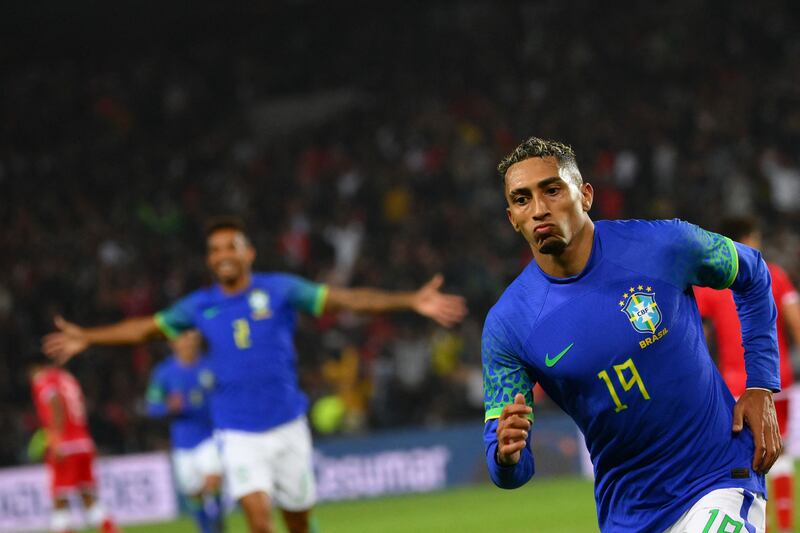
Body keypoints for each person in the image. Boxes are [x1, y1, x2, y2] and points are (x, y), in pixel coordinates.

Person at [43, 215, 467, 533]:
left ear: (248, 253)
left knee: (298, 520)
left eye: (231, 246)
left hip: (287, 426)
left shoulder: (279, 289)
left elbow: (346, 300)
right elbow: (144, 329)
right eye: (215, 249)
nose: (223, 255)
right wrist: (89, 337)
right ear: (210, 260)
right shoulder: (199, 305)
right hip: (237, 432)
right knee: (259, 522)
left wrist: (409, 300)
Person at [482, 137, 781, 532]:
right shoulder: (508, 325)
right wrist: (506, 454)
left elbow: (753, 273)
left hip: (718, 475)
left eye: (552, 190)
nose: (539, 209)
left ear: (585, 195)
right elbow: (511, 470)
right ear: (512, 218)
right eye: (522, 199)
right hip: (629, 513)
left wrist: (761, 384)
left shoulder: (664, 245)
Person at [695, 215, 800, 533]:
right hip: (774, 380)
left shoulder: (714, 284)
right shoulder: (774, 274)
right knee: (778, 454)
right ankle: (781, 525)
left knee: (747, 458)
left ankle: (757, 523)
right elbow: (795, 320)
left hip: (733, 386)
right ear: (749, 240)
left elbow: (696, 333)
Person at [29, 354, 120, 533]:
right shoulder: (68, 378)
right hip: (83, 443)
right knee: (87, 495)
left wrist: (55, 439)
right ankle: (111, 529)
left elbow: (55, 403)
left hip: (65, 445)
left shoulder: (44, 379)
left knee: (59, 497)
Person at [145, 330, 224, 533]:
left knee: (213, 480)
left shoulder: (211, 366)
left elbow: (227, 395)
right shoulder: (164, 372)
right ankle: (206, 527)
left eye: (191, 336)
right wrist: (167, 407)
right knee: (194, 492)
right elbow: (151, 407)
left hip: (211, 435)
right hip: (182, 441)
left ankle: (218, 524)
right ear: (173, 343)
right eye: (183, 338)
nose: (188, 342)